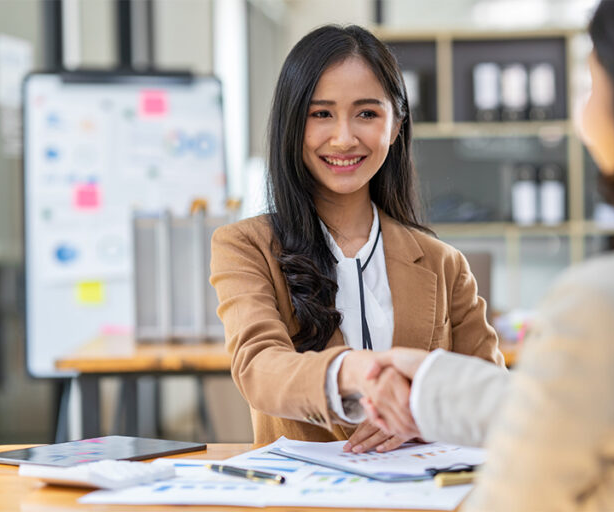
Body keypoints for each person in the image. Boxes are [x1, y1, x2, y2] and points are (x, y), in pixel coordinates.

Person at [359, 1, 614, 509]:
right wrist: (432, 385)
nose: (581, 111)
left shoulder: (607, 306)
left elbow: (514, 495)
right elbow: (577, 406)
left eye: (592, 81)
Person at [209, 25, 503, 451]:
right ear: (293, 124)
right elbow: (258, 367)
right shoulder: (245, 246)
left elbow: (492, 399)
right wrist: (357, 371)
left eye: (367, 113)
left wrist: (422, 416)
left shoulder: (444, 264)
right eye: (320, 114)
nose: (344, 138)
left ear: (396, 125)